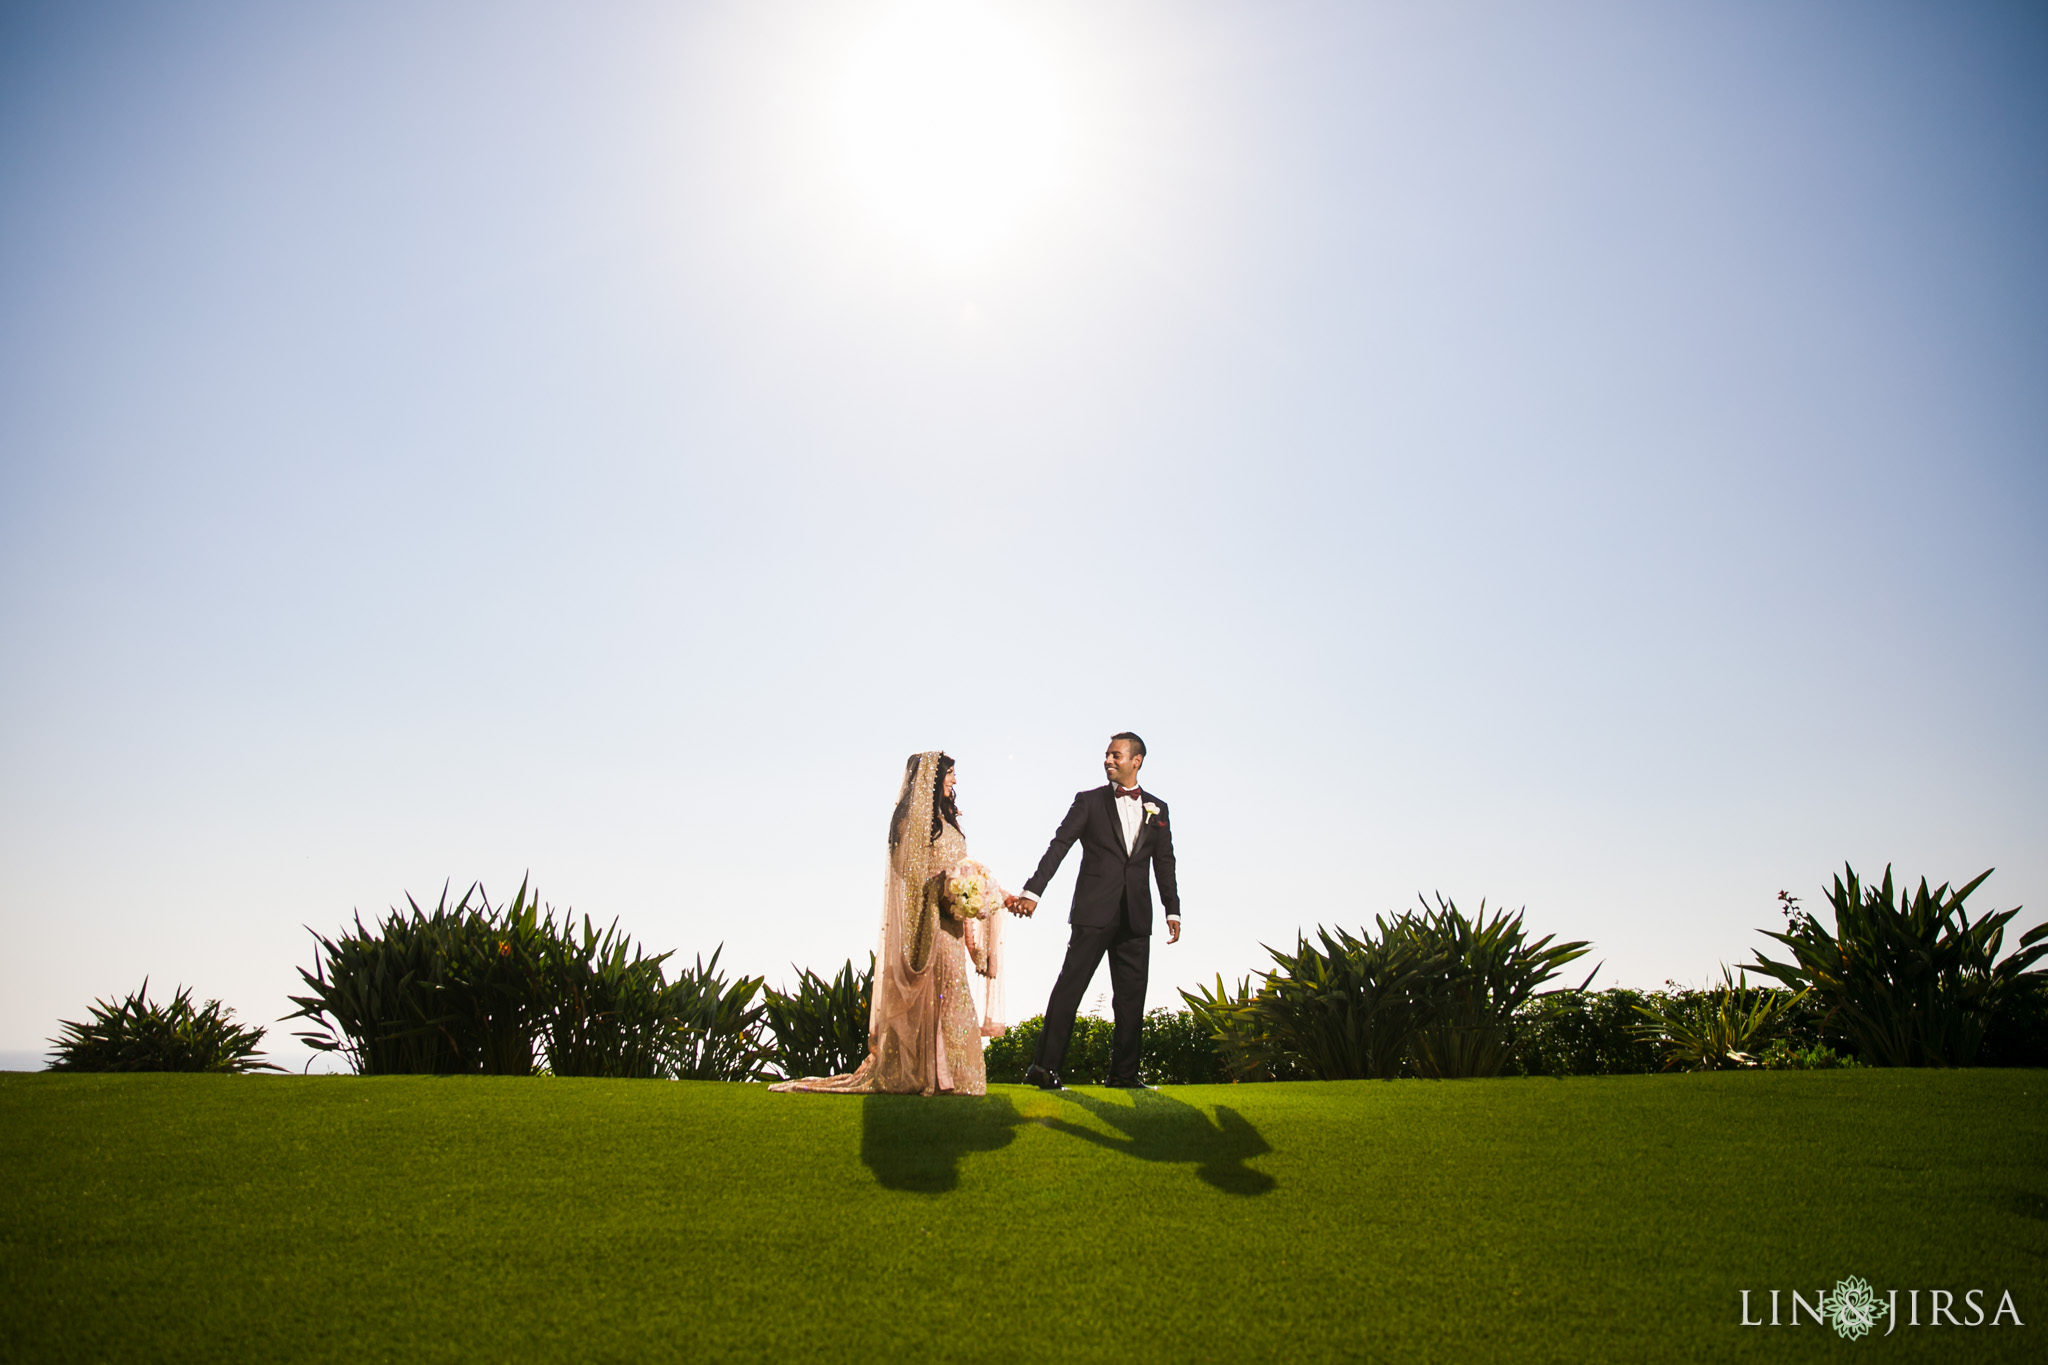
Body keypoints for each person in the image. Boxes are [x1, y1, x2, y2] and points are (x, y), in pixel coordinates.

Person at [772, 751, 1014, 1096]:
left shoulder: (949, 820)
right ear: (932, 777)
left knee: (952, 992)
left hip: (952, 926)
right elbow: (906, 871)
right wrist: (942, 888)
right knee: (936, 994)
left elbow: (963, 866)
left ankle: (955, 1076)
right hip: (926, 921)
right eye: (951, 774)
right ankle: (928, 1075)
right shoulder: (910, 821)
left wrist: (986, 893)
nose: (955, 781)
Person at [1004, 732, 1180, 1089]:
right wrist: (1033, 891)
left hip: (1136, 916)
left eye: (1116, 755)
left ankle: (1124, 1074)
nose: (1108, 761)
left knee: (1131, 998)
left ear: (1137, 761)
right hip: (1093, 912)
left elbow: (1165, 862)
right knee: (1071, 987)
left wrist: (1172, 910)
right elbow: (1060, 845)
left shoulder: (1158, 808)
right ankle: (1043, 1067)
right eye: (1106, 755)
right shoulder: (1088, 802)